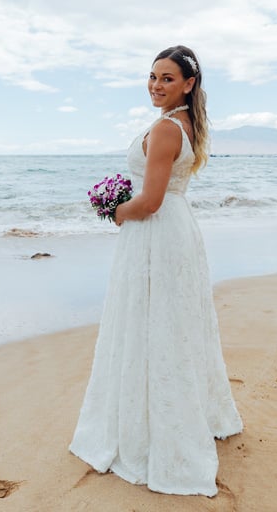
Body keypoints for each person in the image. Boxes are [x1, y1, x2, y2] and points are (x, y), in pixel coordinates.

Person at [69, 45, 243, 496]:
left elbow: (150, 202)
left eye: (167, 78)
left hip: (157, 234)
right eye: (152, 77)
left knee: (156, 325)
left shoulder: (167, 129)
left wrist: (114, 211)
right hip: (175, 232)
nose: (156, 85)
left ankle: (159, 434)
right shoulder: (185, 124)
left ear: (188, 84)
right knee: (172, 324)